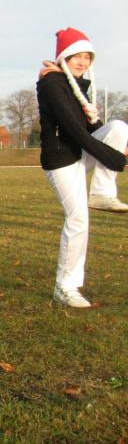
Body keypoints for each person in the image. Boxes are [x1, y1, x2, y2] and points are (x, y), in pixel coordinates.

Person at [36, 27, 128, 308]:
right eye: (76, 56)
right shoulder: (52, 84)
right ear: (64, 57)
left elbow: (92, 129)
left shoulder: (77, 87)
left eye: (87, 57)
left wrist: (118, 149)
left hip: (79, 154)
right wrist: (116, 159)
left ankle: (102, 192)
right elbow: (75, 132)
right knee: (78, 220)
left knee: (118, 128)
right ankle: (65, 287)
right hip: (60, 161)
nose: (82, 62)